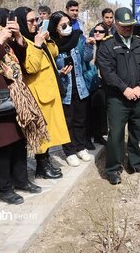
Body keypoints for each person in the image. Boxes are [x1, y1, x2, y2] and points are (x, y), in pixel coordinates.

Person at [0, 0, 47, 204]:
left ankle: (21, 180)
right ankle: (3, 188)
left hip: (15, 94)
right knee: (1, 144)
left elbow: (19, 57)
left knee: (19, 139)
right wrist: (0, 40)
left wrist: (17, 36)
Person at [96, 7, 140, 185]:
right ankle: (113, 169)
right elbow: (107, 72)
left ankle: (136, 163)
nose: (128, 29)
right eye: (124, 26)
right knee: (116, 134)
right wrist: (125, 89)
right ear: (116, 25)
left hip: (139, 96)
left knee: (138, 131)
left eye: (131, 26)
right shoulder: (107, 44)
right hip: (118, 98)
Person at [14, 6, 70, 179]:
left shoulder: (35, 37)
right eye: (30, 21)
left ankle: (45, 164)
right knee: (40, 134)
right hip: (37, 95)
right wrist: (38, 45)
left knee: (49, 133)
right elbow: (31, 67)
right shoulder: (21, 42)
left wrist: (47, 39)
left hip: (49, 92)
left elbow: (54, 52)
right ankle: (42, 167)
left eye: (36, 20)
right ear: (22, 23)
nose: (34, 23)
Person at [49, 11, 93, 167]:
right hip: (64, 89)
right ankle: (70, 151)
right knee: (67, 121)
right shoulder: (51, 45)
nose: (67, 27)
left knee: (80, 119)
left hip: (80, 87)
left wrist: (89, 46)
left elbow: (86, 59)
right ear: (55, 27)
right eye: (63, 24)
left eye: (68, 23)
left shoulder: (77, 38)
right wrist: (60, 73)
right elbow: (50, 69)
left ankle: (81, 147)